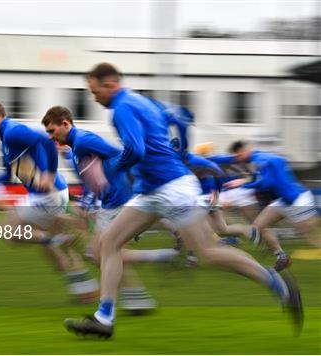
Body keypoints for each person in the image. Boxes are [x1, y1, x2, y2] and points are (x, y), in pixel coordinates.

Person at [64, 63, 302, 338]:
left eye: (95, 91)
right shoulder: (145, 101)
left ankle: (276, 284)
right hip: (152, 190)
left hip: (172, 188)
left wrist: (112, 168)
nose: (94, 98)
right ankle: (104, 318)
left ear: (110, 84)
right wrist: (183, 150)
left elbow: (136, 150)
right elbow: (180, 117)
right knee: (108, 243)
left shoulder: (122, 108)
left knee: (208, 253)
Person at [42, 105, 181, 312]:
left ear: (65, 124)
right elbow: (94, 175)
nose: (52, 138)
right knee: (99, 253)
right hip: (109, 202)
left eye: (53, 131)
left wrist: (123, 178)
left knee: (101, 252)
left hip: (117, 200)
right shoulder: (76, 146)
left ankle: (120, 302)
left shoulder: (83, 140)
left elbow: (119, 154)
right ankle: (142, 288)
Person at [0, 98, 99, 302]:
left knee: (8, 229)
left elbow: (48, 142)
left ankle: (73, 230)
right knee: (49, 246)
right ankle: (85, 289)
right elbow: (7, 176)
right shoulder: (5, 140)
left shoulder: (13, 130)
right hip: (42, 195)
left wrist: (48, 173)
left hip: (48, 194)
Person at [225, 141, 319, 250]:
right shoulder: (258, 156)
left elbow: (266, 183)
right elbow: (263, 176)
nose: (238, 159)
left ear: (246, 150)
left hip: (298, 201)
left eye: (239, 155)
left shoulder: (259, 160)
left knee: (312, 237)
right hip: (283, 201)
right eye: (236, 156)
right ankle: (281, 256)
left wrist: (244, 183)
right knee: (257, 226)